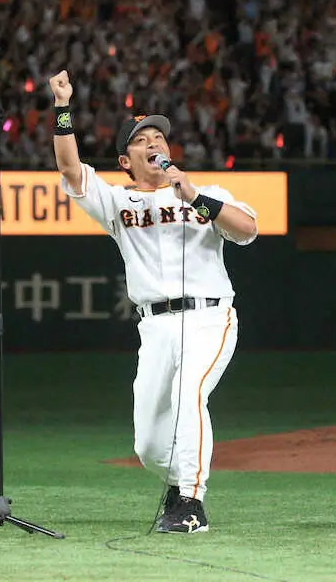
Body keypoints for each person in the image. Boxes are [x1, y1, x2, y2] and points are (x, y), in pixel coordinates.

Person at [47, 70, 258, 534]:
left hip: (209, 315)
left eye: (158, 136)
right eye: (142, 138)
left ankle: (191, 505)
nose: (153, 141)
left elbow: (247, 230)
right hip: (154, 326)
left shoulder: (202, 193)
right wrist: (63, 107)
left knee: (189, 397)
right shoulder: (116, 202)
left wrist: (195, 196)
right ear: (126, 159)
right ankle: (180, 484)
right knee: (147, 443)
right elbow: (68, 168)